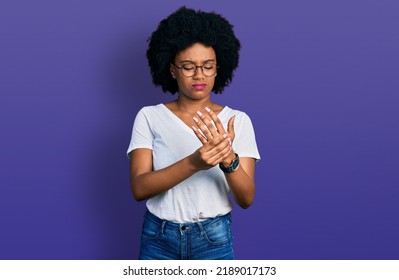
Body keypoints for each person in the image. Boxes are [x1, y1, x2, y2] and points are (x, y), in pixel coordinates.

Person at [127, 6, 260, 260]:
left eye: (207, 66)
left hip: (213, 238)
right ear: (172, 69)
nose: (199, 75)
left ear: (218, 68)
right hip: (158, 238)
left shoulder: (237, 121)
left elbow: (246, 198)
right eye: (188, 66)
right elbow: (139, 188)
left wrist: (228, 160)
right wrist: (194, 163)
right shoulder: (149, 116)